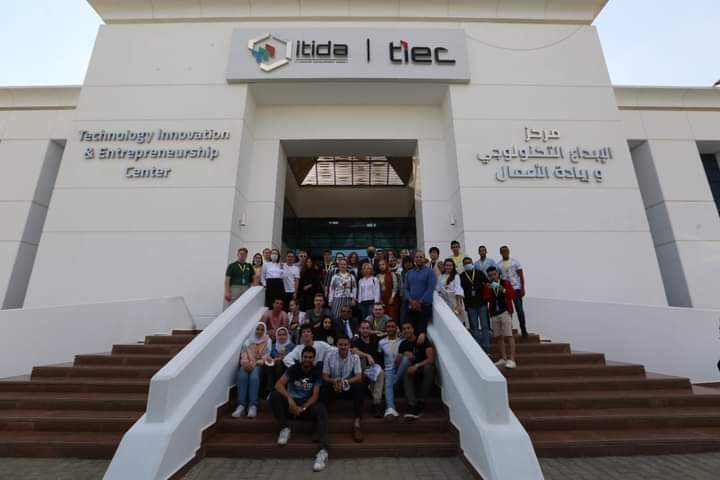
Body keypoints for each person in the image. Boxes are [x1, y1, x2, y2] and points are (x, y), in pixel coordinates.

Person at [269, 346, 329, 472]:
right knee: (274, 396)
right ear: (301, 357)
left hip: (305, 406)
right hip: (290, 404)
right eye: (305, 357)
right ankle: (284, 428)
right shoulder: (293, 369)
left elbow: (315, 396)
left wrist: (303, 407)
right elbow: (279, 384)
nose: (307, 359)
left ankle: (323, 451)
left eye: (310, 357)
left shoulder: (316, 372)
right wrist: (290, 400)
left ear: (313, 359)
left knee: (321, 408)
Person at [321, 336, 365, 442]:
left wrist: (345, 382)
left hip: (347, 387)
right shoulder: (329, 356)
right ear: (337, 345)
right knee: (324, 386)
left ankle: (357, 424)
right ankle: (321, 424)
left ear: (349, 346)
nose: (343, 347)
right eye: (340, 344)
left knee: (359, 386)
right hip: (334, 386)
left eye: (345, 345)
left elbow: (359, 377)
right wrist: (334, 381)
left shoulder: (355, 357)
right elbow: (325, 376)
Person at [232, 322, 271, 419]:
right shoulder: (248, 341)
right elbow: (243, 354)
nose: (260, 331)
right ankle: (241, 406)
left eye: (262, 330)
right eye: (258, 329)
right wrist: (245, 363)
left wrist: (255, 363)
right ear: (254, 330)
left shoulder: (268, 341)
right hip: (247, 365)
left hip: (259, 366)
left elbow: (266, 356)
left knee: (254, 376)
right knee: (242, 374)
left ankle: (253, 406)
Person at [399, 321, 436, 419]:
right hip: (412, 372)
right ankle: (412, 404)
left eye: (408, 328)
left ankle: (421, 401)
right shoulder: (403, 344)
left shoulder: (422, 339)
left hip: (423, 368)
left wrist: (417, 365)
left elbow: (431, 359)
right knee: (407, 372)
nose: (406, 330)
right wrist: (403, 355)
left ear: (413, 329)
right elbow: (397, 364)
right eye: (404, 329)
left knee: (429, 368)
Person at [484, 266, 517, 369]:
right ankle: (503, 358)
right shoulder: (488, 285)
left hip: (505, 311)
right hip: (494, 313)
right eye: (490, 275)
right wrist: (488, 289)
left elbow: (512, 295)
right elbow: (486, 298)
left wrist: (503, 289)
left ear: (498, 274)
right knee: (498, 336)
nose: (492, 277)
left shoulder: (505, 283)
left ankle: (512, 359)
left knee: (509, 335)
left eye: (494, 274)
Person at [352, 319, 385, 418]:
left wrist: (374, 332)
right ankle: (376, 403)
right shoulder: (356, 341)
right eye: (363, 328)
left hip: (374, 367)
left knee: (380, 373)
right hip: (362, 368)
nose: (365, 330)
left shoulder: (375, 339)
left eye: (367, 328)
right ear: (359, 329)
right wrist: (367, 355)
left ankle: (376, 403)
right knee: (375, 373)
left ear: (370, 329)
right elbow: (354, 350)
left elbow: (386, 333)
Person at [403, 250, 437, 344]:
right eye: (417, 257)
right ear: (414, 259)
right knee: (409, 332)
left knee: (420, 333)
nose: (419, 259)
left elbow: (430, 289)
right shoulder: (409, 273)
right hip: (410, 306)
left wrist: (419, 302)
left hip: (424, 307)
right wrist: (411, 301)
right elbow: (405, 289)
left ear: (424, 258)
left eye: (421, 257)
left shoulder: (430, 272)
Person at [460, 257, 491, 352]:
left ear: (472, 263)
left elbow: (488, 283)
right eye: (465, 263)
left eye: (469, 262)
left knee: (485, 326)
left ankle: (486, 347)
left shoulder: (479, 273)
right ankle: (478, 348)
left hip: (482, 303)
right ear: (463, 265)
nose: (468, 264)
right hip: (470, 305)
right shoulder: (461, 276)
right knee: (474, 327)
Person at [380, 319, 407, 419]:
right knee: (389, 383)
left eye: (393, 326)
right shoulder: (381, 342)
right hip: (389, 369)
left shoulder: (402, 341)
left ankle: (391, 382)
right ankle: (390, 408)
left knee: (406, 359)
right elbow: (379, 357)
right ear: (385, 329)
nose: (390, 328)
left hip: (401, 368)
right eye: (388, 327)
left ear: (396, 328)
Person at [498, 245, 528, 337]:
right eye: (503, 251)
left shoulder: (515, 262)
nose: (505, 253)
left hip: (516, 289)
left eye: (506, 251)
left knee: (519, 309)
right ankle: (508, 329)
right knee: (508, 310)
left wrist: (522, 287)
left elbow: (521, 275)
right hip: (506, 290)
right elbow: (499, 278)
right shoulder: (499, 265)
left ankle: (523, 329)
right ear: (500, 253)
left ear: (509, 251)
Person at [265, 326, 295, 395]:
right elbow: (270, 356)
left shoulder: (292, 346)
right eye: (280, 334)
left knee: (279, 363)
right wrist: (269, 359)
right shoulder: (273, 346)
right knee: (268, 365)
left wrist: (278, 359)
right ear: (277, 336)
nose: (282, 336)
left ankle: (279, 388)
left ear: (287, 335)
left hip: (287, 366)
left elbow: (290, 357)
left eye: (284, 334)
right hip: (274, 366)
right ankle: (270, 390)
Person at [436, 258, 466, 326]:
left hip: (454, 300)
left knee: (457, 319)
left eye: (450, 265)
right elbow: (438, 288)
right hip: (444, 300)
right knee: (448, 320)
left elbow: (458, 289)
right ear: (444, 266)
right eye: (447, 265)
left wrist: (459, 304)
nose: (448, 267)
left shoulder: (456, 276)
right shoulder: (441, 276)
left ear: (453, 266)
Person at [398, 255, 414, 325]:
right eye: (405, 262)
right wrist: (401, 295)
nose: (407, 264)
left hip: (414, 297)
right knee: (403, 316)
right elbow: (401, 285)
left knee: (412, 315)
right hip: (404, 297)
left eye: (409, 262)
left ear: (412, 263)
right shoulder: (401, 272)